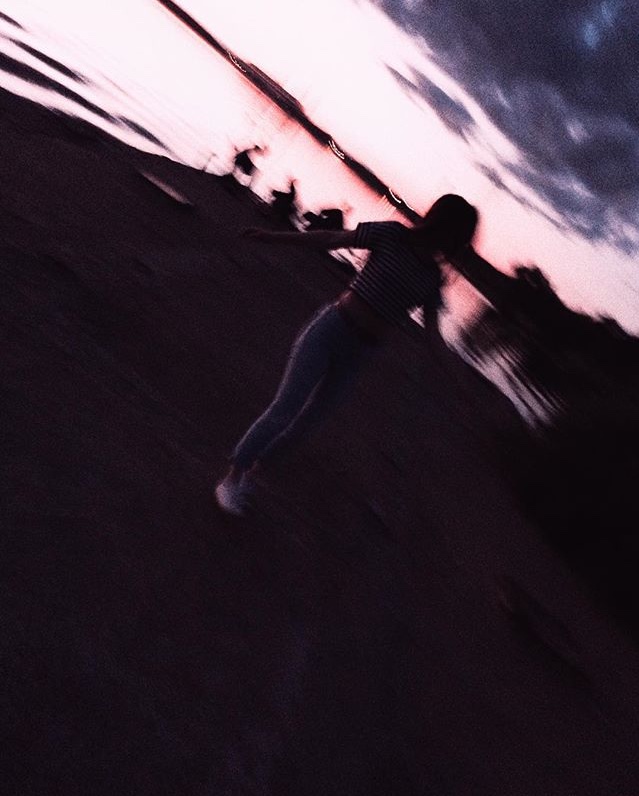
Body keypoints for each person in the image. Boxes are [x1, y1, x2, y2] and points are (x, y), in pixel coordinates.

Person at [215, 194, 479, 515]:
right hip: (332, 328)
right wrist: (274, 236)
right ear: (443, 225)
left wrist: (461, 384)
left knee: (309, 424)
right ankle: (232, 477)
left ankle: (254, 471)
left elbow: (433, 336)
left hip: (360, 353)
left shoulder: (431, 279)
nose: (457, 246)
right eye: (458, 236)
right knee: (285, 409)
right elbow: (333, 238)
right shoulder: (392, 234)